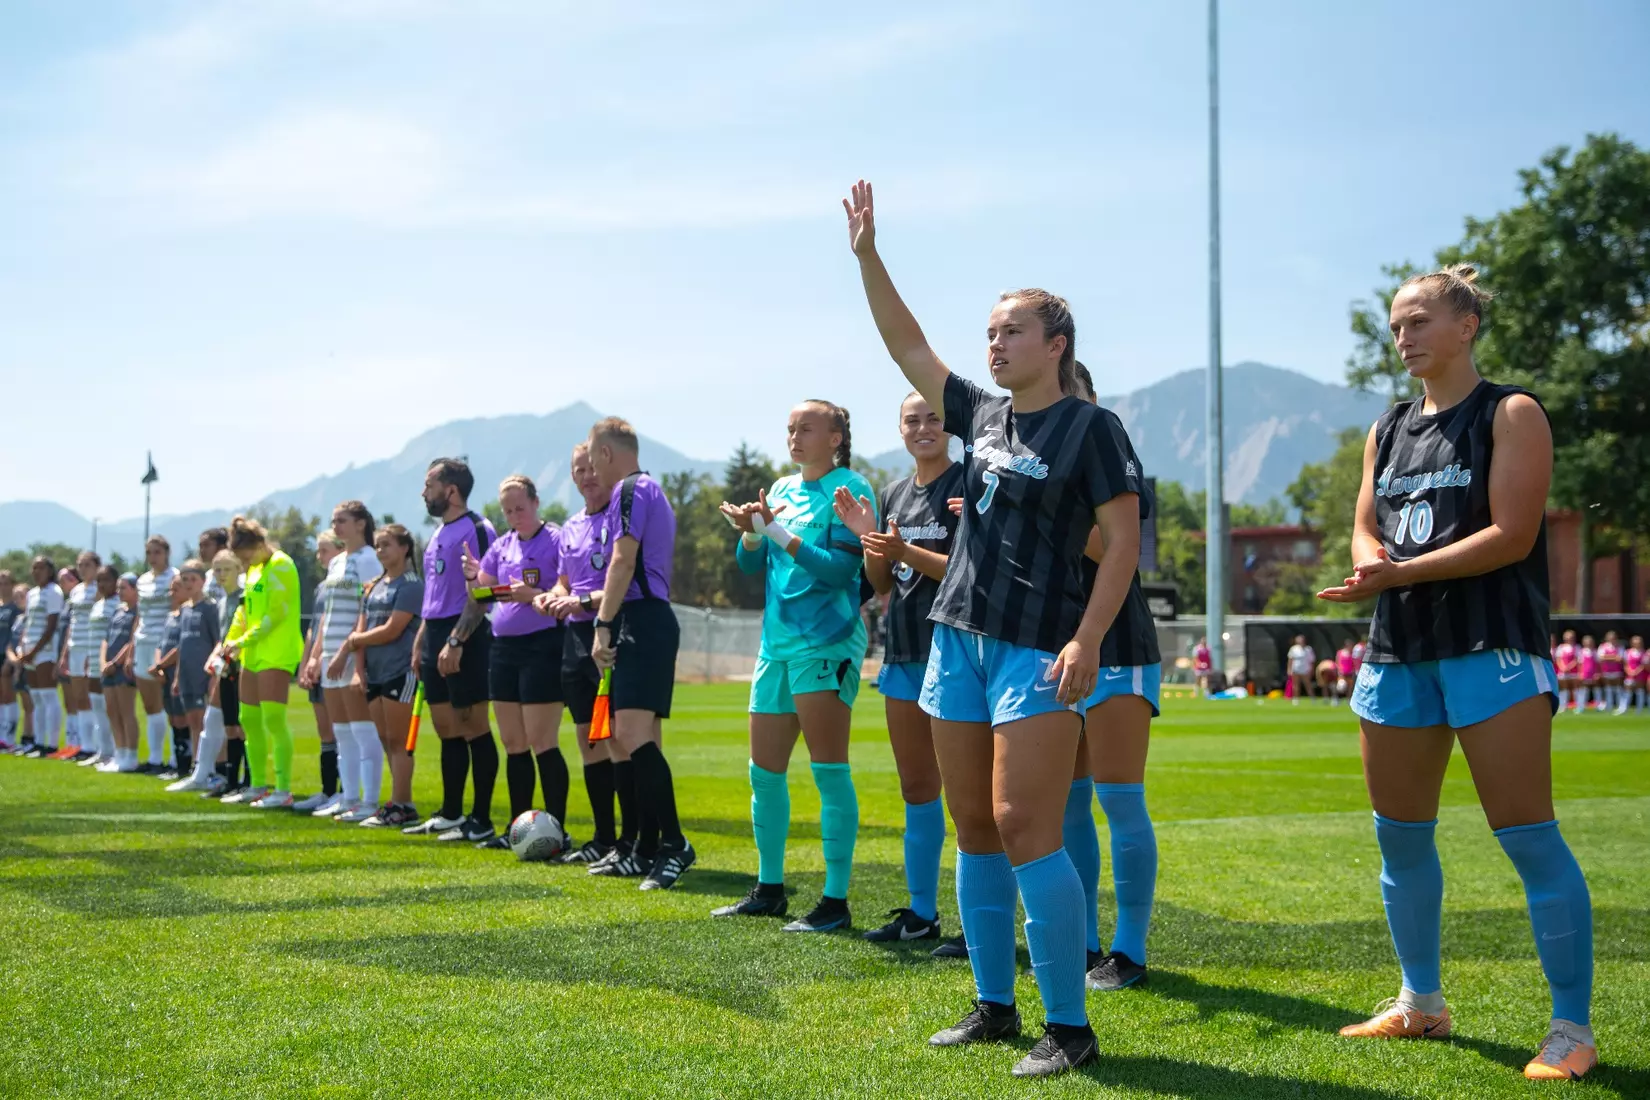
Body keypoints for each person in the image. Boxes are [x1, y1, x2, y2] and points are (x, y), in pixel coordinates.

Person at [843, 179, 1137, 1076]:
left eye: (1012, 331)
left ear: (1057, 344)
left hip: (1040, 647)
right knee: (973, 825)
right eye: (990, 333)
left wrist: (1087, 641)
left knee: (1025, 825)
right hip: (955, 641)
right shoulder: (983, 416)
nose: (995, 344)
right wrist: (867, 254)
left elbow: (1122, 544)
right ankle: (994, 1006)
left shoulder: (1093, 428)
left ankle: (1071, 1028)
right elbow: (906, 343)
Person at [1317, 264, 1596, 1080]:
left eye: (1418, 322)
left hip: (1491, 647)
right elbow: (1365, 524)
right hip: (1398, 648)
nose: (1403, 337)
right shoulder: (1388, 426)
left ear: (1466, 325)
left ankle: (1572, 1030)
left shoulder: (1512, 412)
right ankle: (1420, 1003)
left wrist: (1400, 572)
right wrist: (1373, 564)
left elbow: (1512, 534)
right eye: (1396, 326)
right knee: (1398, 839)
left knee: (1530, 839)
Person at [713, 400, 873, 929]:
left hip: (826, 644)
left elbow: (839, 573)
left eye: (806, 428)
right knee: (763, 774)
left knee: (829, 772)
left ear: (835, 437)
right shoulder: (781, 489)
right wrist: (754, 533)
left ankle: (834, 902)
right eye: (789, 429)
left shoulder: (852, 489)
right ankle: (770, 888)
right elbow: (750, 564)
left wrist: (777, 533)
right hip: (775, 646)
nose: (794, 437)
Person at [831, 392, 963, 944]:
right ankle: (921, 913)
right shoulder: (891, 494)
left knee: (970, 794)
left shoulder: (969, 484)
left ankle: (983, 920)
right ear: (901, 430)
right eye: (913, 419)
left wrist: (903, 551)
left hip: (956, 653)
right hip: (905, 654)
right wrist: (872, 542)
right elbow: (882, 585)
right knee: (916, 787)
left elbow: (967, 569)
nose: (924, 427)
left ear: (952, 425)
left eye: (934, 416)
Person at [1066, 362, 1163, 996]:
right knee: (1068, 802)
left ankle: (1128, 948)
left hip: (1119, 645)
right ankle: (1080, 938)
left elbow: (1112, 547)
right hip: (1050, 650)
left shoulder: (1104, 439)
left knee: (1119, 798)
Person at [585, 417, 695, 891]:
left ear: (606, 454)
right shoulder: (647, 489)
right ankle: (646, 847)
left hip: (641, 621)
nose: (591, 469)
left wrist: (603, 625)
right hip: (647, 620)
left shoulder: (630, 490)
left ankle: (674, 845)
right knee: (639, 734)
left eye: (592, 459)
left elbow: (622, 560)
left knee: (630, 733)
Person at [461, 476, 569, 852]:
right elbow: (481, 593)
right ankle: (517, 829)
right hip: (502, 648)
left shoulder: (555, 539)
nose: (513, 516)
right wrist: (473, 576)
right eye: (507, 510)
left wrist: (534, 595)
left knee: (542, 741)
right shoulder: (502, 546)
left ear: (536, 503)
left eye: (520, 508)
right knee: (513, 743)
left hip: (543, 645)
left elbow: (565, 590)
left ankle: (557, 829)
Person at [535, 442, 629, 865]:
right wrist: (551, 598)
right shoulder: (570, 526)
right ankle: (603, 839)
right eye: (578, 470)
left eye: (592, 467)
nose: (586, 476)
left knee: (621, 741)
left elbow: (625, 579)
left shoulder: (623, 516)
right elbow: (563, 582)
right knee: (589, 742)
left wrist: (582, 602)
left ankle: (634, 840)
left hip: (612, 633)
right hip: (574, 641)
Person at [402, 458, 499, 842]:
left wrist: (457, 640)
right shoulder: (438, 533)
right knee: (446, 729)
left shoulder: (478, 528)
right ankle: (452, 813)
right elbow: (435, 593)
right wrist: (423, 638)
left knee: (473, 726)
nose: (424, 492)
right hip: (435, 633)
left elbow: (482, 594)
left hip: (466, 636)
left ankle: (481, 818)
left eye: (429, 484)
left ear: (451, 490)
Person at [335, 524, 423, 828]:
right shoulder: (373, 585)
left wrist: (354, 642)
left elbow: (392, 629)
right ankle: (398, 802)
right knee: (386, 739)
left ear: (405, 548)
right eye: (378, 545)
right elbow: (361, 629)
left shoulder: (411, 585)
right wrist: (359, 671)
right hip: (375, 674)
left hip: (400, 671)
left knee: (399, 741)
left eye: (387, 545)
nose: (381, 551)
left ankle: (402, 804)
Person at [221, 515, 305, 809]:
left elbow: (276, 614)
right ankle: (256, 785)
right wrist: (229, 642)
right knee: (249, 720)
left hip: (276, 651)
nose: (243, 562)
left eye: (245, 555)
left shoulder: (281, 564)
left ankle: (282, 789)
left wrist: (241, 642)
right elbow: (243, 613)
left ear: (258, 544)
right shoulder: (254, 570)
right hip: (253, 653)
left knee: (273, 719)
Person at [308, 502, 385, 823]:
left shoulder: (369, 560)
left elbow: (367, 611)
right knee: (341, 732)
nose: (336, 526)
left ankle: (369, 801)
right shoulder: (336, 562)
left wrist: (347, 653)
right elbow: (326, 615)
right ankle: (348, 797)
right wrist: (316, 655)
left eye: (342, 520)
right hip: (329, 656)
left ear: (361, 524)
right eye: (334, 521)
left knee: (362, 730)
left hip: (352, 656)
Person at [295, 533, 346, 813]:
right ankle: (328, 791)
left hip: (334, 662)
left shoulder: (344, 583)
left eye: (323, 550)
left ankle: (344, 792)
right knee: (325, 731)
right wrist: (306, 663)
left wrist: (316, 659)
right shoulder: (321, 588)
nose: (319, 557)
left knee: (341, 731)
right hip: (318, 662)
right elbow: (314, 629)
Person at [163, 562, 218, 792]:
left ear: (203, 581)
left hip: (203, 673)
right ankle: (198, 768)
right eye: (184, 579)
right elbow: (182, 646)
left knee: (205, 721)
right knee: (193, 722)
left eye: (192, 579)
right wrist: (176, 677)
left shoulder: (210, 608)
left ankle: (210, 768)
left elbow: (217, 640)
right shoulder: (185, 609)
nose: (188, 584)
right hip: (185, 673)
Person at [131, 537, 178, 772]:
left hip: (163, 643)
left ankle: (175, 760)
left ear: (167, 553)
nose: (153, 557)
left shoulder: (175, 577)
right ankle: (155, 759)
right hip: (143, 642)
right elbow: (139, 615)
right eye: (149, 552)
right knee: (150, 705)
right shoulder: (142, 580)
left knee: (169, 704)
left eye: (157, 552)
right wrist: (131, 647)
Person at [12, 557, 64, 757]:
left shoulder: (54, 592)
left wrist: (35, 651)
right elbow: (28, 623)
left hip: (45, 650)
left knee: (49, 696)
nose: (36, 571)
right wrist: (23, 648)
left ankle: (51, 744)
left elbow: (51, 625)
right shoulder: (32, 593)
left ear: (50, 571)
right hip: (30, 649)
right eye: (34, 568)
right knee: (37, 698)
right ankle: (38, 742)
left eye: (41, 568)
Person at [59, 553, 105, 761]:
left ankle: (98, 745)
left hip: (90, 647)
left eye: (87, 565)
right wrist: (65, 653)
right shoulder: (76, 590)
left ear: (97, 567)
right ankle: (84, 746)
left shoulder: (99, 590)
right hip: (74, 646)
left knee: (91, 697)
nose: (83, 568)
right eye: (80, 565)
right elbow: (73, 623)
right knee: (78, 698)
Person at [73, 563, 119, 768]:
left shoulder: (117, 604)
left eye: (106, 580)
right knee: (97, 707)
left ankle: (117, 751)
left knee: (111, 709)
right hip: (92, 660)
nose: (102, 584)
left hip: (107, 663)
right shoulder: (97, 604)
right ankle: (103, 751)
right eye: (99, 580)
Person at [97, 573, 141, 772]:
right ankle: (119, 753)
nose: (120, 591)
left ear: (135, 590)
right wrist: (103, 661)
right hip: (108, 668)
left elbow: (132, 640)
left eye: (124, 588)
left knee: (126, 711)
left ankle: (131, 755)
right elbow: (106, 640)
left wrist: (115, 662)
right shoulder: (117, 611)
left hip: (122, 668)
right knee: (112, 711)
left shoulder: (137, 613)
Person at [151, 573, 193, 780]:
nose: (172, 593)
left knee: (184, 718)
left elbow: (181, 646)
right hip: (165, 674)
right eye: (171, 588)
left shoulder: (188, 614)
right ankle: (177, 763)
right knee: (173, 718)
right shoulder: (170, 616)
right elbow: (161, 643)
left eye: (176, 588)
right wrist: (158, 666)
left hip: (179, 672)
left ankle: (187, 765)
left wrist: (161, 664)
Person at [0, 571, 20, 750]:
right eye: (0, 583)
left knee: (8, 696)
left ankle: (10, 737)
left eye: (6, 583)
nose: (3, 587)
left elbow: (16, 635)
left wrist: (11, 657)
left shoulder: (15, 608)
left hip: (7, 656)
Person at [1596, 631, 1623, 714]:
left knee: (1618, 689)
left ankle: (1619, 706)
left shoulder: (1619, 647)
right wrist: (1613, 657)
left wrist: (1607, 657)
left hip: (1617, 671)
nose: (1612, 639)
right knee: (1608, 689)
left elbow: (1620, 658)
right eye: (1610, 638)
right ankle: (1609, 705)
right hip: (1606, 671)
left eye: (1614, 638)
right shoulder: (1603, 646)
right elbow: (1600, 658)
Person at [1554, 630, 1580, 712]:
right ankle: (1563, 706)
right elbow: (1558, 659)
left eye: (1571, 637)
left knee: (1575, 688)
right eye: (1567, 637)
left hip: (1574, 672)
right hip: (1563, 671)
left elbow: (1577, 659)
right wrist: (1563, 668)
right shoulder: (1561, 647)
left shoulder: (1577, 647)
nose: (1569, 639)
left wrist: (1569, 667)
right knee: (1564, 688)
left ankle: (1578, 706)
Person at [1286, 635, 1315, 704]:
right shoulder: (1293, 649)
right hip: (1296, 669)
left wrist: (1311, 670)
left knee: (1308, 685)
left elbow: (1312, 661)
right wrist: (1289, 669)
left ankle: (1312, 698)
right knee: (1295, 685)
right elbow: (1290, 660)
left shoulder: (1308, 649)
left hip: (1305, 670)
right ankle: (1296, 699)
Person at [1621, 635, 1644, 714]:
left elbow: (1643, 664)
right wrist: (1629, 671)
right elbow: (1625, 664)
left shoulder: (1643, 652)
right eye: (1635, 643)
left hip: (1640, 675)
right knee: (1627, 691)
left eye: (1639, 643)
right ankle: (1624, 708)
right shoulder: (1628, 652)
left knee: (1639, 691)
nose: (1637, 644)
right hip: (1630, 674)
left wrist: (1637, 671)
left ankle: (1639, 709)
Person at [1577, 635, 1598, 713]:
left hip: (1593, 674)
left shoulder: (1595, 652)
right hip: (1584, 673)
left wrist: (1597, 673)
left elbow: (1597, 664)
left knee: (1595, 689)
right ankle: (1580, 706)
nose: (1589, 644)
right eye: (1587, 642)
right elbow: (1579, 664)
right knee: (1583, 690)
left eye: (1590, 642)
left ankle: (1597, 705)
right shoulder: (1582, 652)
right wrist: (1580, 673)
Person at [1335, 639, 1358, 706]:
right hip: (1342, 673)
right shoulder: (1340, 652)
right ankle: (1337, 699)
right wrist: (1339, 669)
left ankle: (1349, 700)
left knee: (1350, 687)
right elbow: (1337, 661)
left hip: (1350, 673)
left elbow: (1354, 663)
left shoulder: (1352, 654)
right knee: (1341, 686)